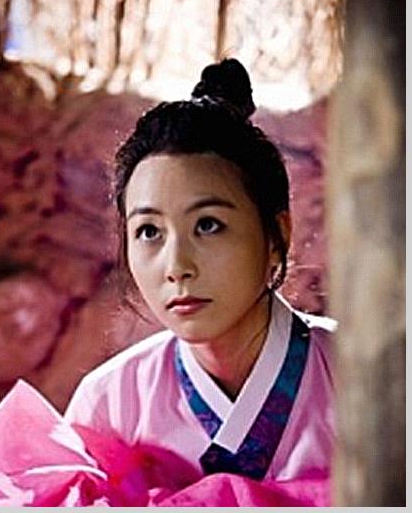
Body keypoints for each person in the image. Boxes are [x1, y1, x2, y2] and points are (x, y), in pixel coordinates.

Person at [64, 58, 337, 484]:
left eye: (208, 225)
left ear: (276, 235)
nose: (177, 267)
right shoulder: (109, 404)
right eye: (149, 231)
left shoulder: (372, 376)